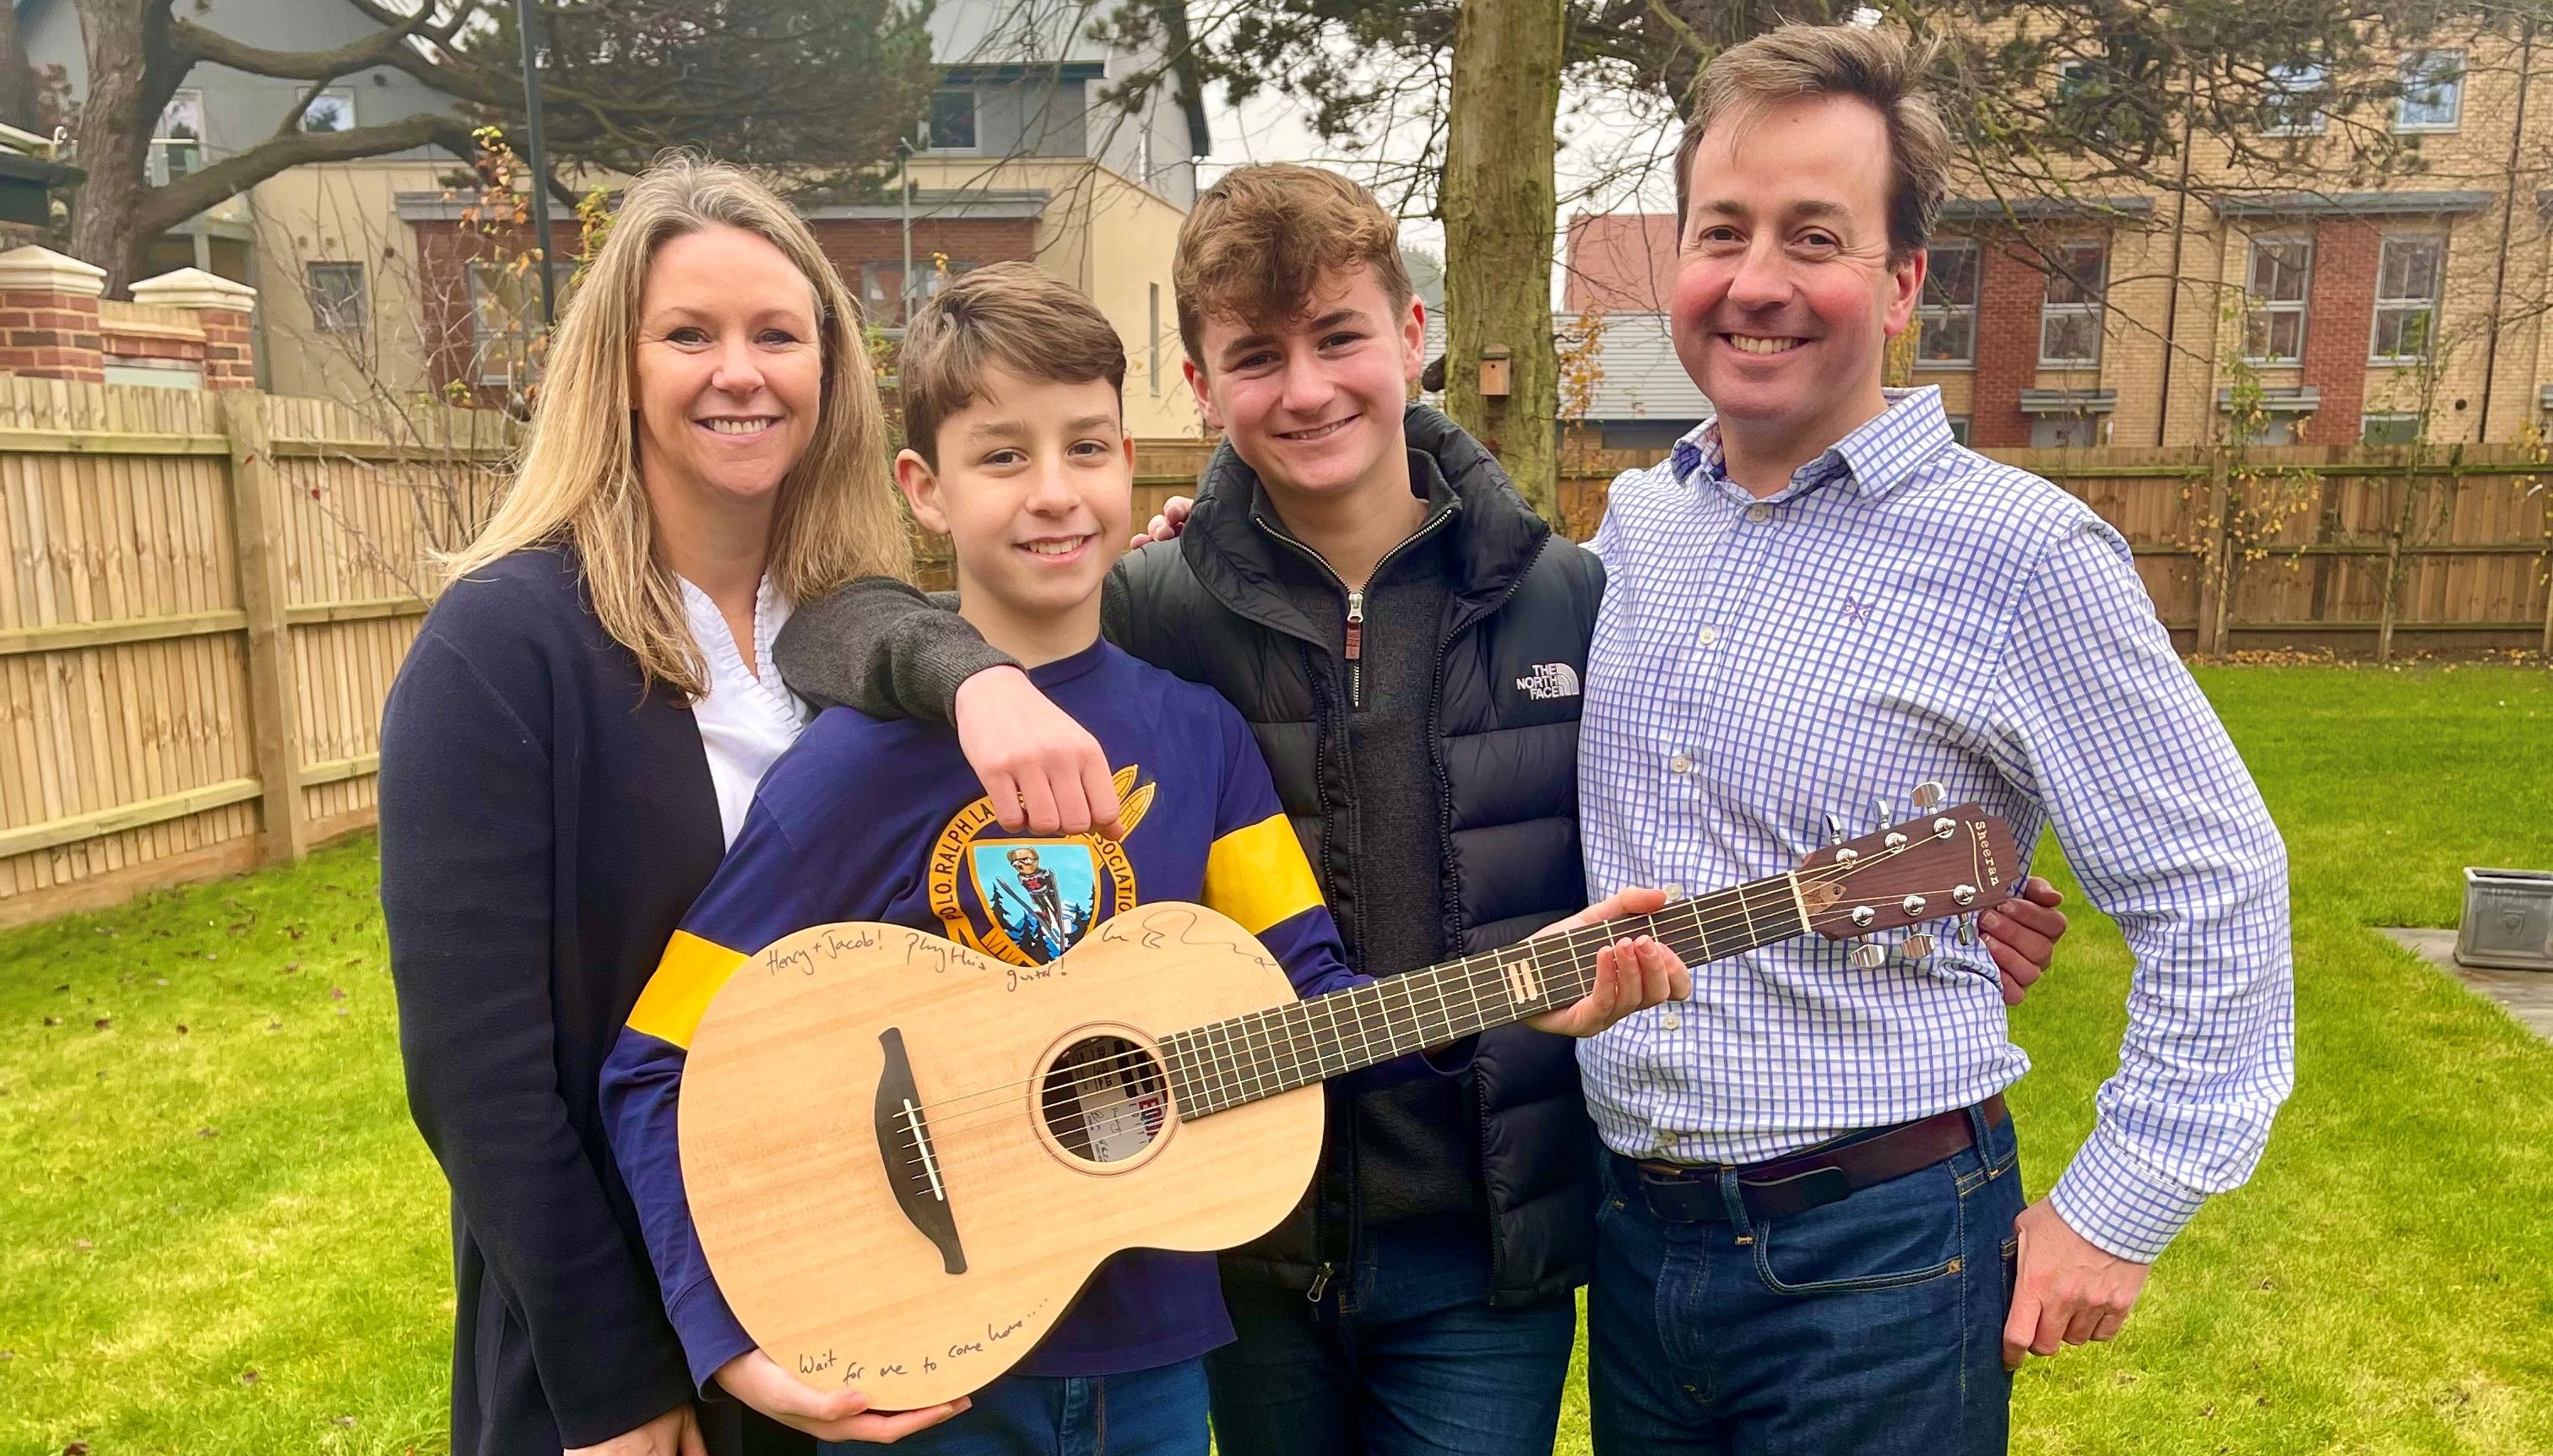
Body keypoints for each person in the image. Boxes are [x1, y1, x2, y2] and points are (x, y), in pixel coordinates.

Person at [770, 167, 2070, 1456]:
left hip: (1484, 1243)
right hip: (1235, 1239)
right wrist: (974, 679)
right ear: (1200, 386)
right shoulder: (1145, 608)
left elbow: (1701, 782)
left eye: (1340, 336)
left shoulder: (1573, 595)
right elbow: (838, 629)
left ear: (1412, 335)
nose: (1309, 386)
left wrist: (1937, 904)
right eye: (1257, 357)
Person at [596, 263, 1688, 1456]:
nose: (1054, 493)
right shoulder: (857, 766)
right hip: (927, 1369)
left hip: (1160, 1363)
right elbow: (657, 1059)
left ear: (1134, 465)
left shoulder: (1200, 737)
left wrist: (1525, 990)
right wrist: (726, 1345)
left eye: (1087, 448)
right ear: (924, 487)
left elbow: (1308, 1005)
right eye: (1003, 457)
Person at [1575, 22, 2296, 1453]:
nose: (1759, 281)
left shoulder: (2021, 555)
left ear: (1902, 280)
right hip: (1637, 1249)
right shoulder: (1637, 526)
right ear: (1677, 262)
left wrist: (2116, 1206)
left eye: (1815, 235)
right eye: (1724, 230)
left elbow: (2218, 889)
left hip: (1881, 1266)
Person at [377, 157, 913, 1456]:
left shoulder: (857, 632)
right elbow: (478, 1075)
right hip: (620, 1356)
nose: (742, 371)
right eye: (690, 334)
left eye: (778, 334)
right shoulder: (503, 646)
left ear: (829, 371)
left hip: (861, 1307)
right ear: (619, 367)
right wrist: (616, 1383)